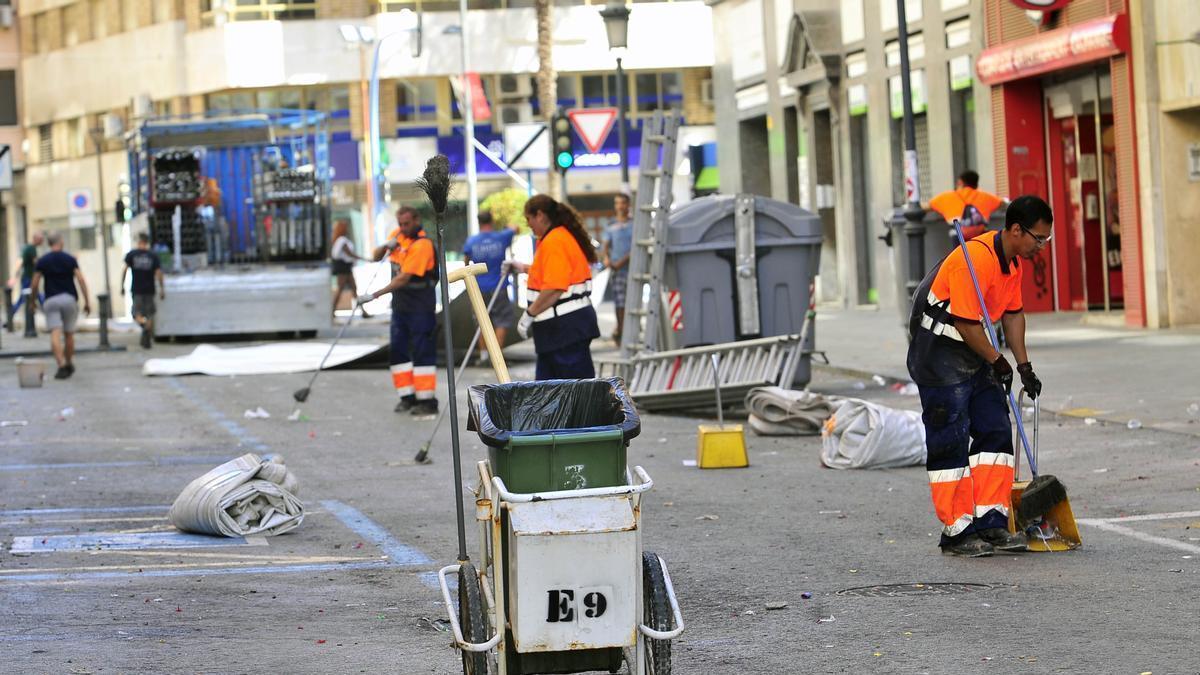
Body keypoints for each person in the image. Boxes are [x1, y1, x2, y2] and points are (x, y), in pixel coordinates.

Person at [906, 195, 1051, 557]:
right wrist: (997, 361)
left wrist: (1024, 366)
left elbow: (1013, 315)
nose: (1041, 247)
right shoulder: (977, 261)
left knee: (995, 430)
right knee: (950, 439)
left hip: (975, 350)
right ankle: (957, 531)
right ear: (1016, 230)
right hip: (940, 353)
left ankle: (992, 523)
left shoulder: (1012, 264)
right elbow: (968, 324)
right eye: (1038, 238)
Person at [510, 195, 600, 380]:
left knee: (571, 393)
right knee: (553, 393)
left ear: (540, 215)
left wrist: (530, 313)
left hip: (564, 331)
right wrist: (522, 267)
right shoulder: (556, 238)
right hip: (563, 330)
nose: (528, 225)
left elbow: (554, 287)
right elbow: (551, 274)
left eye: (529, 219)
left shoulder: (554, 241)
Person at [361, 207, 439, 416]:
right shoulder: (397, 237)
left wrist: (375, 295)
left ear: (416, 220)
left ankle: (427, 400)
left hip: (420, 306)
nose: (403, 228)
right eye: (400, 224)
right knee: (398, 351)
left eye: (407, 224)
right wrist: (387, 245)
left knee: (422, 351)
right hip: (400, 306)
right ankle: (407, 397)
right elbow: (376, 257)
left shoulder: (423, 245)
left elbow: (404, 278)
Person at [30, 232, 91, 380]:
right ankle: (69, 362)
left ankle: (61, 364)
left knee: (55, 333)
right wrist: (87, 301)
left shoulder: (43, 261)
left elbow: (35, 283)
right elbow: (81, 279)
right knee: (69, 334)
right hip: (69, 299)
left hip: (51, 300)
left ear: (49, 244)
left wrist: (32, 301)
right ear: (61, 242)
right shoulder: (70, 259)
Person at [462, 210, 517, 364]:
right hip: (499, 286)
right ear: (491, 221)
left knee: (481, 320)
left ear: (478, 222)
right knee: (501, 320)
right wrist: (506, 225)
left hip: (478, 288)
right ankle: (496, 358)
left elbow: (466, 263)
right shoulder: (502, 237)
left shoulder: (472, 241)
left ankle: (484, 355)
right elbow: (515, 227)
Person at [929, 170, 1005, 241]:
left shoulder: (947, 197)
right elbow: (1002, 204)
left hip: (958, 238)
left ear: (960, 182)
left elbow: (929, 206)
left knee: (960, 255)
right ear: (976, 184)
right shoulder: (986, 197)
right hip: (981, 238)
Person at [120, 232, 165, 349]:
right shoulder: (153, 256)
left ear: (139, 242)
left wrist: (122, 285)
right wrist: (162, 289)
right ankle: (147, 330)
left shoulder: (132, 255)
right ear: (147, 243)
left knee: (136, 313)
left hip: (137, 290)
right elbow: (159, 273)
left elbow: (124, 270)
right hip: (150, 290)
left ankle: (143, 325)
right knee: (150, 314)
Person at [600, 193, 633, 345]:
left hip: (633, 270)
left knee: (632, 303)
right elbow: (605, 247)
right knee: (620, 303)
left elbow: (636, 247)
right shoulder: (610, 225)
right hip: (617, 272)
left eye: (623, 203)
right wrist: (607, 259)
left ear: (628, 205)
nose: (620, 206)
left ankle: (630, 330)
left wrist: (623, 261)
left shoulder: (635, 224)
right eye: (617, 203)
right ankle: (621, 330)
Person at [330, 219, 369, 319]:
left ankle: (363, 311)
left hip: (346, 266)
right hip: (343, 267)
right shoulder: (342, 240)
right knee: (342, 288)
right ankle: (332, 310)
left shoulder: (340, 240)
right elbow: (349, 253)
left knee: (353, 289)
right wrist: (364, 259)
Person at [7, 231, 44, 331]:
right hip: (28, 278)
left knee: (36, 297)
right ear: (36, 239)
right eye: (41, 239)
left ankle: (9, 318)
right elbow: (20, 262)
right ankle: (9, 318)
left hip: (29, 278)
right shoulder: (31, 249)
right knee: (25, 298)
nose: (42, 241)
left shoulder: (30, 248)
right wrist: (14, 277)